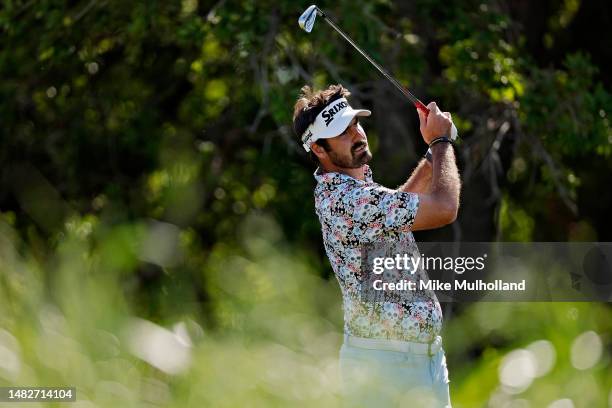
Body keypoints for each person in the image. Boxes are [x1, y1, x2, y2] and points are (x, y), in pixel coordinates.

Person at [292, 84, 460, 407]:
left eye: (355, 123)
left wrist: (430, 155)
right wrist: (441, 143)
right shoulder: (345, 200)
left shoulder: (356, 187)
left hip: (422, 362)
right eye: (342, 132)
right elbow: (444, 207)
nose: (356, 135)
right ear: (318, 149)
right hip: (386, 371)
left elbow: (396, 210)